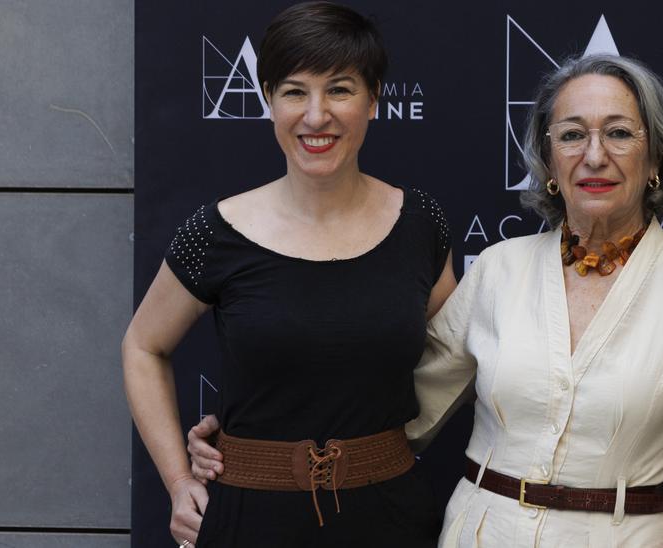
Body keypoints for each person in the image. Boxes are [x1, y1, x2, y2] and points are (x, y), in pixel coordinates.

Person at [191, 54, 663, 547]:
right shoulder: (497, 270)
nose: (593, 155)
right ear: (550, 162)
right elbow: (401, 411)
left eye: (619, 133)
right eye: (571, 135)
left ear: (655, 157)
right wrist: (255, 451)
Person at [122, 3, 453, 546]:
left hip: (391, 517)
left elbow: (459, 361)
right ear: (269, 100)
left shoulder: (420, 224)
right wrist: (180, 482)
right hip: (246, 520)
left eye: (340, 90)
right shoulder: (217, 230)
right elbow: (142, 346)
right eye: (295, 91)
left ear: (373, 100)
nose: (316, 115)